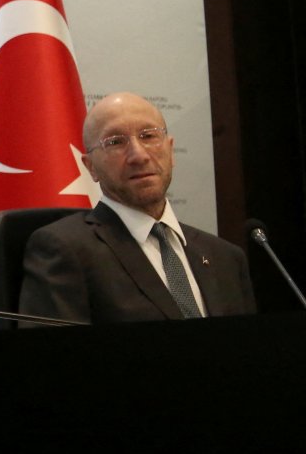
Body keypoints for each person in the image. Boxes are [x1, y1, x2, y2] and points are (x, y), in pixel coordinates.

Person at [20, 92, 255, 324]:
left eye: (148, 136)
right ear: (90, 167)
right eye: (115, 142)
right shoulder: (65, 250)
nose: (139, 155)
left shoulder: (226, 258)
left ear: (170, 150)